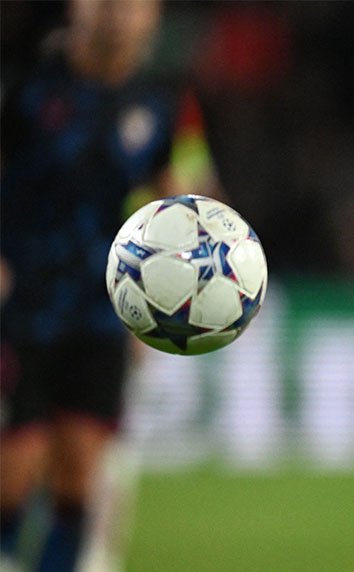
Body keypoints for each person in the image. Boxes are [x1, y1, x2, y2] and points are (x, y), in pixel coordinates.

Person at [0, 1, 215, 570]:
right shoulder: (25, 87)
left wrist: (184, 283)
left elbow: (180, 201)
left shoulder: (162, 103)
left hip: (103, 314)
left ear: (153, 17)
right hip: (20, 305)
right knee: (14, 476)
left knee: (77, 481)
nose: (117, 13)